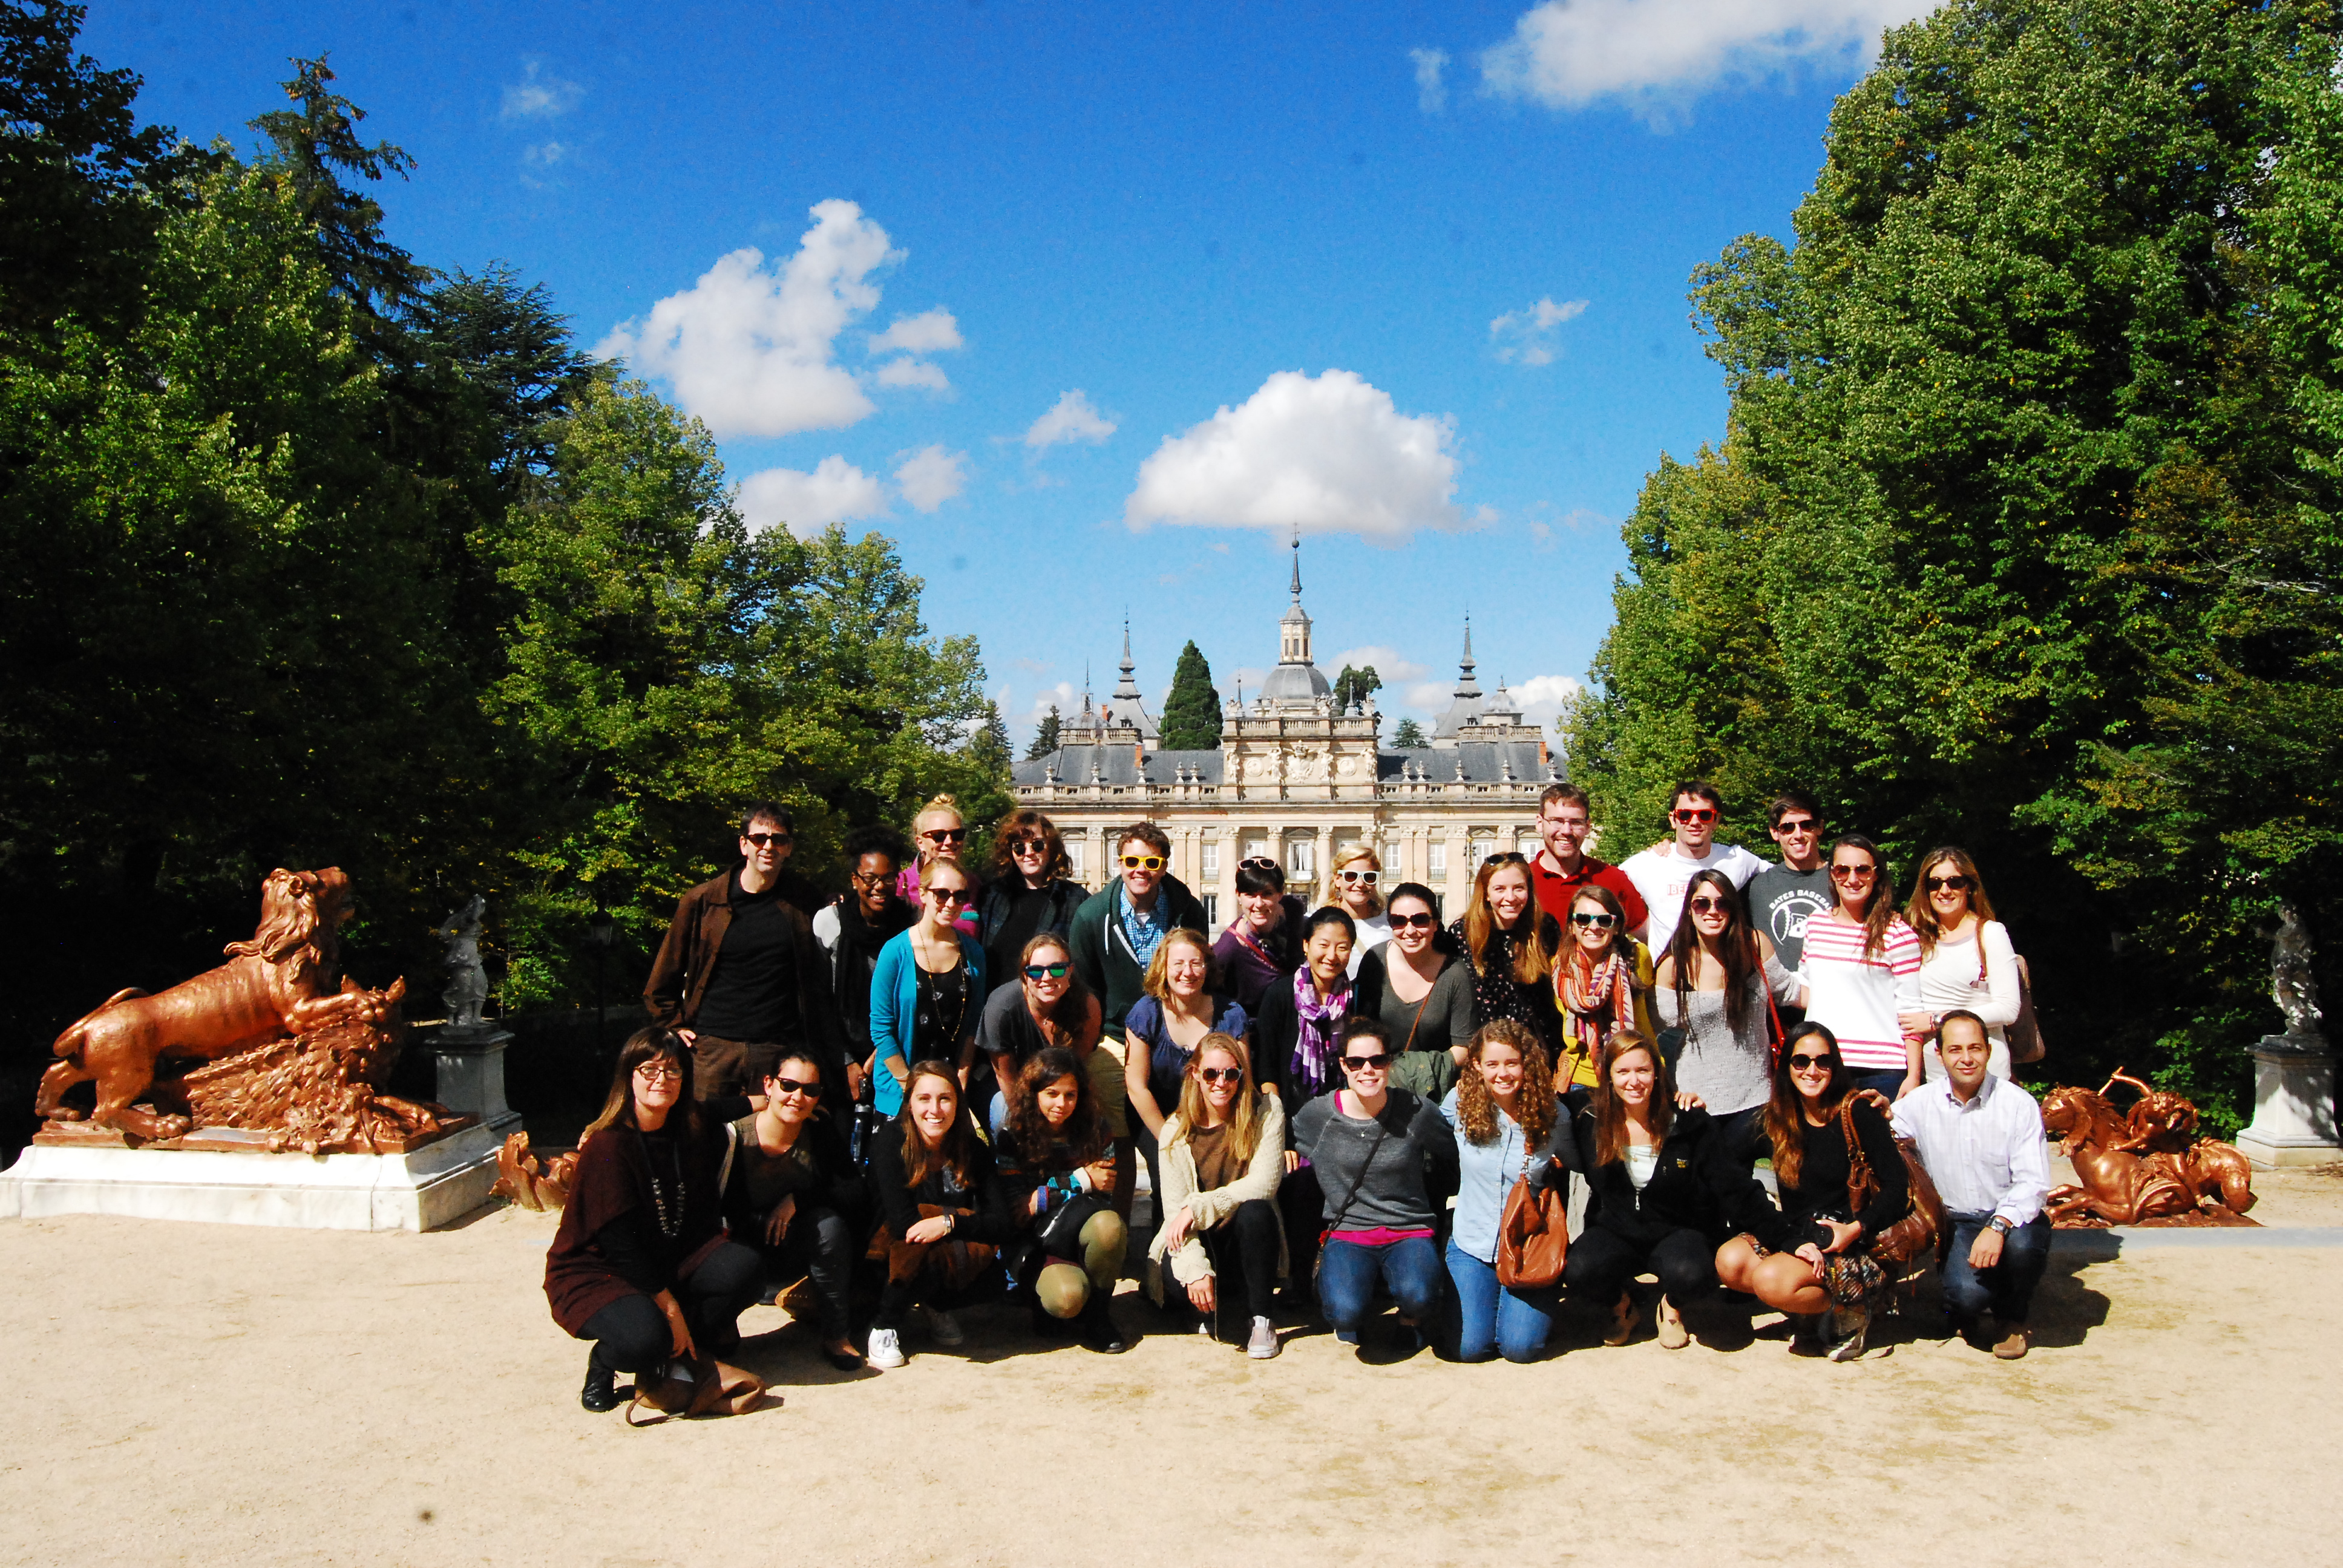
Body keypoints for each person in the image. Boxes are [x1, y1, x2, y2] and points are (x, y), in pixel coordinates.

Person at [546, 1029, 762, 1411]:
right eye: (649, 1069)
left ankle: (684, 1345)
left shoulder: (687, 1125)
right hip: (603, 1268)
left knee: (745, 1268)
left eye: (673, 1070)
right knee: (643, 1341)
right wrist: (669, 1307)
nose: (662, 1079)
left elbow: (722, 1109)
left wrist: (776, 1097)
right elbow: (618, 1242)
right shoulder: (608, 1146)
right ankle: (607, 1361)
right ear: (629, 1076)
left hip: (669, 1252)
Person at [1713, 1021, 1910, 1361]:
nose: (1812, 1070)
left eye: (1823, 1061)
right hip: (1800, 1236)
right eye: (1801, 1061)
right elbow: (1725, 1170)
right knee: (1731, 1263)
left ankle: (1853, 1311)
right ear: (1786, 1065)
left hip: (1853, 1242)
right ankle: (1809, 1313)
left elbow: (1898, 1189)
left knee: (1771, 1281)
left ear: (1835, 1066)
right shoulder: (1775, 1118)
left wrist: (1855, 1229)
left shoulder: (1858, 1111)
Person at [1559, 1032, 1767, 1350]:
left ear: (1657, 1072)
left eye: (1643, 1070)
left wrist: (1790, 1239)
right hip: (1616, 1229)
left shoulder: (1687, 1121)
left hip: (1677, 1230)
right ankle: (1622, 1306)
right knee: (1579, 1270)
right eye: (1623, 1071)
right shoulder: (1590, 1119)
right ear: (1608, 1076)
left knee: (1695, 1275)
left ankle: (1671, 1307)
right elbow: (1539, 1104)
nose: (1634, 1081)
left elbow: (1735, 1187)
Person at [644, 802, 846, 1105]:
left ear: (789, 847)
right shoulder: (702, 902)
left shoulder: (804, 902)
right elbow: (662, 979)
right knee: (703, 1138)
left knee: (768, 1143)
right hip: (711, 1049)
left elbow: (819, 981)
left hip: (775, 1049)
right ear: (744, 844)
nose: (769, 846)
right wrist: (674, 1027)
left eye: (778, 839)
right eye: (759, 839)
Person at [1291, 1019, 1458, 1356]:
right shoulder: (1318, 1116)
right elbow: (1285, 1139)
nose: (1367, 1070)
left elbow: (1453, 1155)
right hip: (1349, 1231)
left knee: (1420, 1294)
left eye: (1377, 1061)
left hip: (1408, 1227)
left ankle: (1410, 1321)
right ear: (1343, 1066)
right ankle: (1353, 1311)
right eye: (1356, 1062)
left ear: (1390, 1063)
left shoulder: (1417, 1112)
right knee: (1343, 1311)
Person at [1892, 1011, 2051, 1359]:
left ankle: (2012, 1317)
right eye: (1956, 1049)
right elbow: (1883, 1132)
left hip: (2010, 1217)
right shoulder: (1919, 1104)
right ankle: (1964, 1306)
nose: (1966, 1059)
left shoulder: (2017, 1104)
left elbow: (2034, 1183)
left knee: (2023, 1249)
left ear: (1989, 1052)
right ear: (1940, 1055)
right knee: (1967, 1296)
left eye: (1975, 1048)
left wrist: (1998, 1226)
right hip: (1957, 1222)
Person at [863, 1061, 1021, 1368]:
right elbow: (903, 1224)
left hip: (944, 1244)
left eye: (945, 1098)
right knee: (917, 1232)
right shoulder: (890, 1141)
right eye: (924, 1098)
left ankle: (936, 1305)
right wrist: (948, 1221)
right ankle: (885, 1324)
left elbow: (1002, 1224)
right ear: (909, 1103)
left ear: (958, 1103)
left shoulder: (973, 1149)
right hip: (885, 1254)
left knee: (992, 1282)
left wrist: (950, 1222)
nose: (935, 1109)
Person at [721, 1051, 867, 1371]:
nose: (797, 1097)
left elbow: (854, 1190)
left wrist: (799, 1200)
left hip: (795, 1243)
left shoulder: (819, 1130)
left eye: (810, 1090)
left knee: (829, 1226)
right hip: (741, 1244)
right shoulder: (733, 1136)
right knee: (723, 1346)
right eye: (788, 1085)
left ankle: (836, 1334)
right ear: (769, 1085)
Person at [1148, 1033, 1288, 1358]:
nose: (1221, 1083)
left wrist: (1199, 1207)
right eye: (1211, 1073)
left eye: (1231, 1073)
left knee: (1257, 1211)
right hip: (1200, 1238)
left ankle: (1262, 1319)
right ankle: (1209, 1297)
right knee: (1178, 1279)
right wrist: (1196, 1270)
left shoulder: (1267, 1111)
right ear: (1195, 1073)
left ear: (1242, 1074)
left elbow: (1266, 1183)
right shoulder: (1175, 1131)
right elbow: (1175, 1215)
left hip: (1242, 1235)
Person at [1439, 1021, 1570, 1364]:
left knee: (1520, 1349)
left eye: (1512, 1063)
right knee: (1470, 1349)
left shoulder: (1554, 1115)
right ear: (1478, 1066)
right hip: (1472, 1241)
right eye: (1493, 1064)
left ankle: (1530, 1315)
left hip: (1528, 1246)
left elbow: (1583, 1160)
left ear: (1527, 1065)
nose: (1503, 1073)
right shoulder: (1459, 1103)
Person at [976, 932, 1131, 1215]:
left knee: (1092, 1113)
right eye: (1035, 971)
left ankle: (1090, 1199)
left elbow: (1075, 1071)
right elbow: (1007, 1079)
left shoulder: (1087, 1006)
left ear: (1070, 972)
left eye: (1057, 969)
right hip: (1016, 1091)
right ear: (1024, 976)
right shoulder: (1003, 1007)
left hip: (1062, 1087)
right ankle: (1012, 1202)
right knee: (1002, 1110)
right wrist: (1031, 1123)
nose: (1047, 978)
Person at [1250, 906, 1364, 1287]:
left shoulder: (1356, 1000)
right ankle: (1296, 1279)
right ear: (1305, 945)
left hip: (1340, 1118)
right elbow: (1266, 1069)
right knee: (1297, 1189)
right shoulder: (1281, 996)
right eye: (1324, 945)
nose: (1332, 955)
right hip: (1291, 1121)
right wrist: (1281, 1135)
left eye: (1343, 947)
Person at [989, 1047, 1132, 1352]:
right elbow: (1020, 1210)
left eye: (1071, 1095)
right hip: (1034, 1243)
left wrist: (1048, 1193)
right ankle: (1044, 1300)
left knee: (1110, 1225)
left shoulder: (1097, 1130)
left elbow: (1104, 1190)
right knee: (1067, 1300)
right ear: (1034, 1093)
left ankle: (1099, 1316)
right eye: (1052, 1093)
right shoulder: (1011, 1137)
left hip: (1081, 1230)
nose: (1061, 1104)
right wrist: (1079, 1180)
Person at [1653, 871, 1800, 1151]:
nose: (1713, 911)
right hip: (1696, 1100)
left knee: (1746, 1183)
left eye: (1722, 904)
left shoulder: (1754, 945)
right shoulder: (1674, 966)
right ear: (1690, 909)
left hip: (1756, 1098)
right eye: (1702, 904)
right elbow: (1662, 1034)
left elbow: (1792, 992)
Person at [1123, 929, 1248, 1230]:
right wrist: (1169, 1139)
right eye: (1178, 964)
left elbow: (1243, 1080)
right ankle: (1163, 1261)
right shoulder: (1146, 1013)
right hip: (1156, 1114)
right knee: (1167, 1180)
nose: (1187, 973)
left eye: (1195, 964)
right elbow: (1137, 1087)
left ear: (1207, 967)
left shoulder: (1230, 1015)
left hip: (1214, 1116)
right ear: (1163, 969)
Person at [1800, 835, 1927, 1098]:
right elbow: (1807, 989)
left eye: (1862, 869)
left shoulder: (1897, 932)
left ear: (1876, 875)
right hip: (1823, 1066)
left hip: (1882, 1070)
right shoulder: (1816, 924)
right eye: (1842, 870)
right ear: (1832, 875)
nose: (1853, 878)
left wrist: (1914, 1077)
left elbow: (1911, 1009)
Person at [867, 857, 985, 1128]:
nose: (951, 903)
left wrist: (961, 1079)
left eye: (960, 896)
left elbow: (972, 1025)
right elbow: (881, 1029)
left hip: (947, 1096)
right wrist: (911, 1088)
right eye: (941, 894)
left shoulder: (973, 953)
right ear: (922, 893)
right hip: (900, 1093)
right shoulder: (895, 952)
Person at [1069, 822, 1208, 1040]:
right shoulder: (1091, 917)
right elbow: (1085, 989)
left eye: (1152, 862)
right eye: (1132, 861)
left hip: (1177, 1033)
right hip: (1115, 1036)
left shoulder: (1189, 913)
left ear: (1163, 868)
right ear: (1120, 864)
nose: (1141, 870)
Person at [810, 826, 914, 1114]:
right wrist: (847, 1062)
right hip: (837, 1052)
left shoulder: (912, 926)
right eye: (870, 878)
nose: (879, 887)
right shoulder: (830, 923)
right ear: (855, 880)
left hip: (896, 1053)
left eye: (889, 878)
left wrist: (880, 1054)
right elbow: (818, 1000)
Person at [1906, 847, 2021, 1081]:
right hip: (1935, 1077)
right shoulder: (1915, 936)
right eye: (1935, 883)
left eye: (1955, 882)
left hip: (1987, 1075)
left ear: (1969, 886)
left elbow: (2008, 1009)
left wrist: (1937, 1020)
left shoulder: (1990, 934)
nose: (1944, 891)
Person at [1356, 880, 1474, 1099]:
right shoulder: (1375, 961)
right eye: (1398, 921)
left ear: (1435, 923)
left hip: (1435, 1097)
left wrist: (1411, 1071)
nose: (1409, 931)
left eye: (1419, 920)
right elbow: (1362, 1029)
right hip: (1379, 1091)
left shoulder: (1456, 974)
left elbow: (1464, 1049)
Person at [1618, 780, 1768, 950]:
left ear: (1716, 820)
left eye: (1705, 815)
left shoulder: (1737, 859)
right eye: (1685, 815)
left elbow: (1786, 876)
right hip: (1667, 974)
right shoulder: (1647, 864)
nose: (1695, 822)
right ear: (1673, 820)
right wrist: (1642, 932)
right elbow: (1603, 894)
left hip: (1723, 973)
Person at [970, 809, 1088, 1002]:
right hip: (997, 1008)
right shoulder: (992, 895)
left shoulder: (1074, 899)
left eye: (1037, 845)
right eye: (1019, 848)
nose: (1029, 853)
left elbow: (1083, 964)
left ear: (1051, 848)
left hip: (1050, 1011)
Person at [1551, 884, 1658, 1093]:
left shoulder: (1637, 957)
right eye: (1583, 919)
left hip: (1633, 1078)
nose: (1594, 927)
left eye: (1604, 920)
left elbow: (1651, 1023)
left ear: (1616, 927)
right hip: (1580, 1081)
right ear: (1572, 927)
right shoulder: (1559, 967)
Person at [1452, 852, 1562, 1056]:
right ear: (1486, 893)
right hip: (1485, 1053)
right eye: (1500, 889)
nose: (1510, 898)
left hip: (1537, 1050)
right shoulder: (1463, 933)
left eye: (1518, 888)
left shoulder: (1545, 928)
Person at [1744, 793, 1833, 1018]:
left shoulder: (1842, 880)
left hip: (1832, 1002)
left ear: (1820, 827)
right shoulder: (1757, 886)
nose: (1798, 835)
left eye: (1806, 825)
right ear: (1775, 833)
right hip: (1776, 1013)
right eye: (1788, 828)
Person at [1526, 782, 1648, 937]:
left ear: (1588, 826)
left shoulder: (1613, 879)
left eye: (1576, 822)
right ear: (1539, 823)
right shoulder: (1522, 882)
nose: (1566, 831)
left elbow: (1653, 940)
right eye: (1557, 821)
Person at [1211, 857, 1302, 1015]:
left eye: (1267, 894)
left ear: (1280, 894)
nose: (1259, 904)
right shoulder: (1227, 950)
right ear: (1238, 895)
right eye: (1251, 895)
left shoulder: (1294, 912)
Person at [896, 793, 972, 916]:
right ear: (920, 842)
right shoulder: (901, 885)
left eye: (957, 835)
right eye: (939, 836)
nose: (949, 842)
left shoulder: (974, 885)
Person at [1331, 843, 1392, 976]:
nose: (1360, 884)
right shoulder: (1317, 923)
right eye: (1351, 876)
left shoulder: (1391, 925)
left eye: (1369, 877)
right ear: (1337, 880)